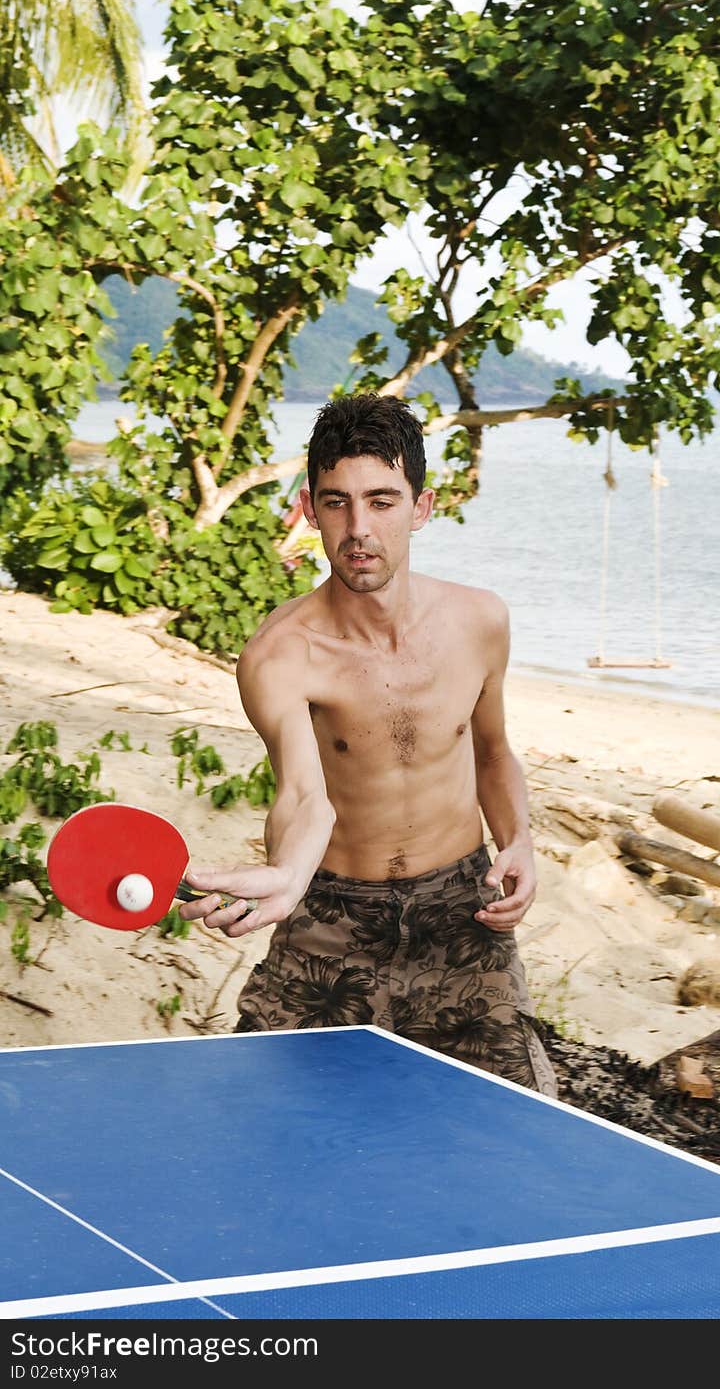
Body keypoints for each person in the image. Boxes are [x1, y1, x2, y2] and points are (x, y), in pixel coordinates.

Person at [179, 392, 557, 1097]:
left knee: (511, 1130)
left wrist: (519, 839)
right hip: (330, 917)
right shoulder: (281, 653)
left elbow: (491, 750)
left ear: (422, 506)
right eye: (336, 502)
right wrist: (290, 875)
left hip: (461, 915)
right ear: (309, 509)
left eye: (382, 501)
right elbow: (302, 792)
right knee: (261, 1129)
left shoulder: (481, 620)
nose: (358, 528)